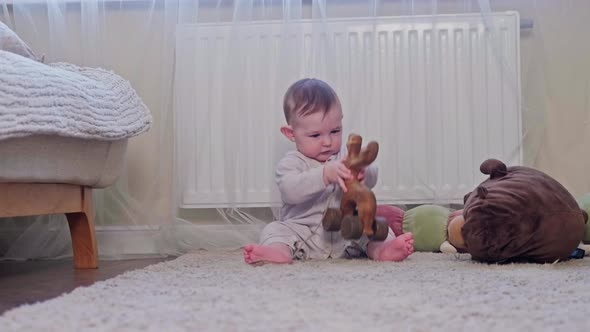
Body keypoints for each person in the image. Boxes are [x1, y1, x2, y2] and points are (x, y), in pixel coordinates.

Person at [243, 78, 414, 265]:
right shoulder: (291, 163)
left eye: (335, 131)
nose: (327, 142)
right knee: (274, 229)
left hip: (347, 232)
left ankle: (382, 250)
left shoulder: (345, 155)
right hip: (303, 232)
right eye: (316, 135)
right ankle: (278, 252)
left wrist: (364, 171)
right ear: (291, 133)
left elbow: (370, 180)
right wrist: (323, 175)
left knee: (375, 225)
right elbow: (290, 191)